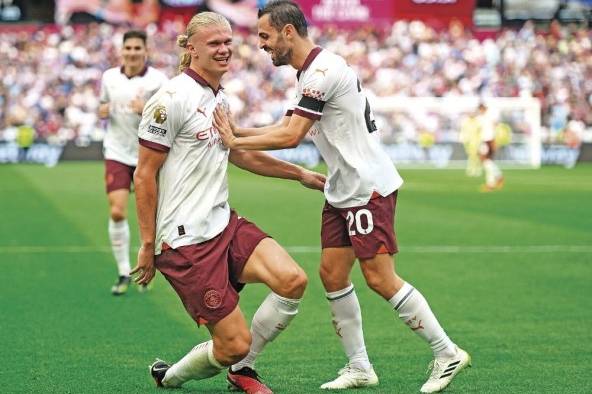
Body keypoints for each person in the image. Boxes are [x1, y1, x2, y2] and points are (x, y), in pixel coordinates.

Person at [213, 1, 470, 392]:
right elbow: (287, 123)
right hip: (342, 188)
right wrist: (239, 131)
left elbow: (291, 136)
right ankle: (359, 366)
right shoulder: (310, 72)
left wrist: (233, 138)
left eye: (265, 36)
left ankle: (447, 352)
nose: (262, 45)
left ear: (288, 32)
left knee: (380, 279)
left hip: (366, 187)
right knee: (332, 274)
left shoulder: (322, 71)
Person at [131, 12, 326, 393]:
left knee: (292, 280)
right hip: (187, 241)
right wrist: (146, 244)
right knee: (233, 344)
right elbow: (143, 175)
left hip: (224, 223)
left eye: (227, 42)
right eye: (213, 43)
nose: (224, 50)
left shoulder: (218, 96)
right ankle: (170, 378)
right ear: (190, 49)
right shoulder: (170, 100)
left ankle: (243, 371)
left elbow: (237, 152)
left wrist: (298, 174)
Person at [98, 30, 168, 295]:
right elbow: (103, 105)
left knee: (150, 215)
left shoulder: (158, 80)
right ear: (122, 50)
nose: (132, 52)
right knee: (117, 211)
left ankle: (148, 267)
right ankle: (123, 271)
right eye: (128, 48)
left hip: (146, 153)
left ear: (145, 51)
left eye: (137, 48)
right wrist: (101, 110)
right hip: (116, 151)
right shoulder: (109, 77)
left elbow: (168, 114)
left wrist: (147, 107)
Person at [476, 103, 504, 192]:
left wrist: (495, 140)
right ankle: (498, 176)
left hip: (489, 141)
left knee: (486, 162)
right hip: (484, 141)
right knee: (486, 162)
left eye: (482, 109)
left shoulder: (489, 117)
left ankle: (491, 183)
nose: (481, 111)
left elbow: (496, 127)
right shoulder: (480, 118)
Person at [459, 109, 482, 177]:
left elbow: (480, 131)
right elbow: (463, 131)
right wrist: (462, 139)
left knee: (474, 155)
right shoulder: (465, 121)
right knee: (471, 155)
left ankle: (475, 169)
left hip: (476, 141)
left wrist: (481, 140)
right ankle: (472, 169)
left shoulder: (478, 121)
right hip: (467, 141)